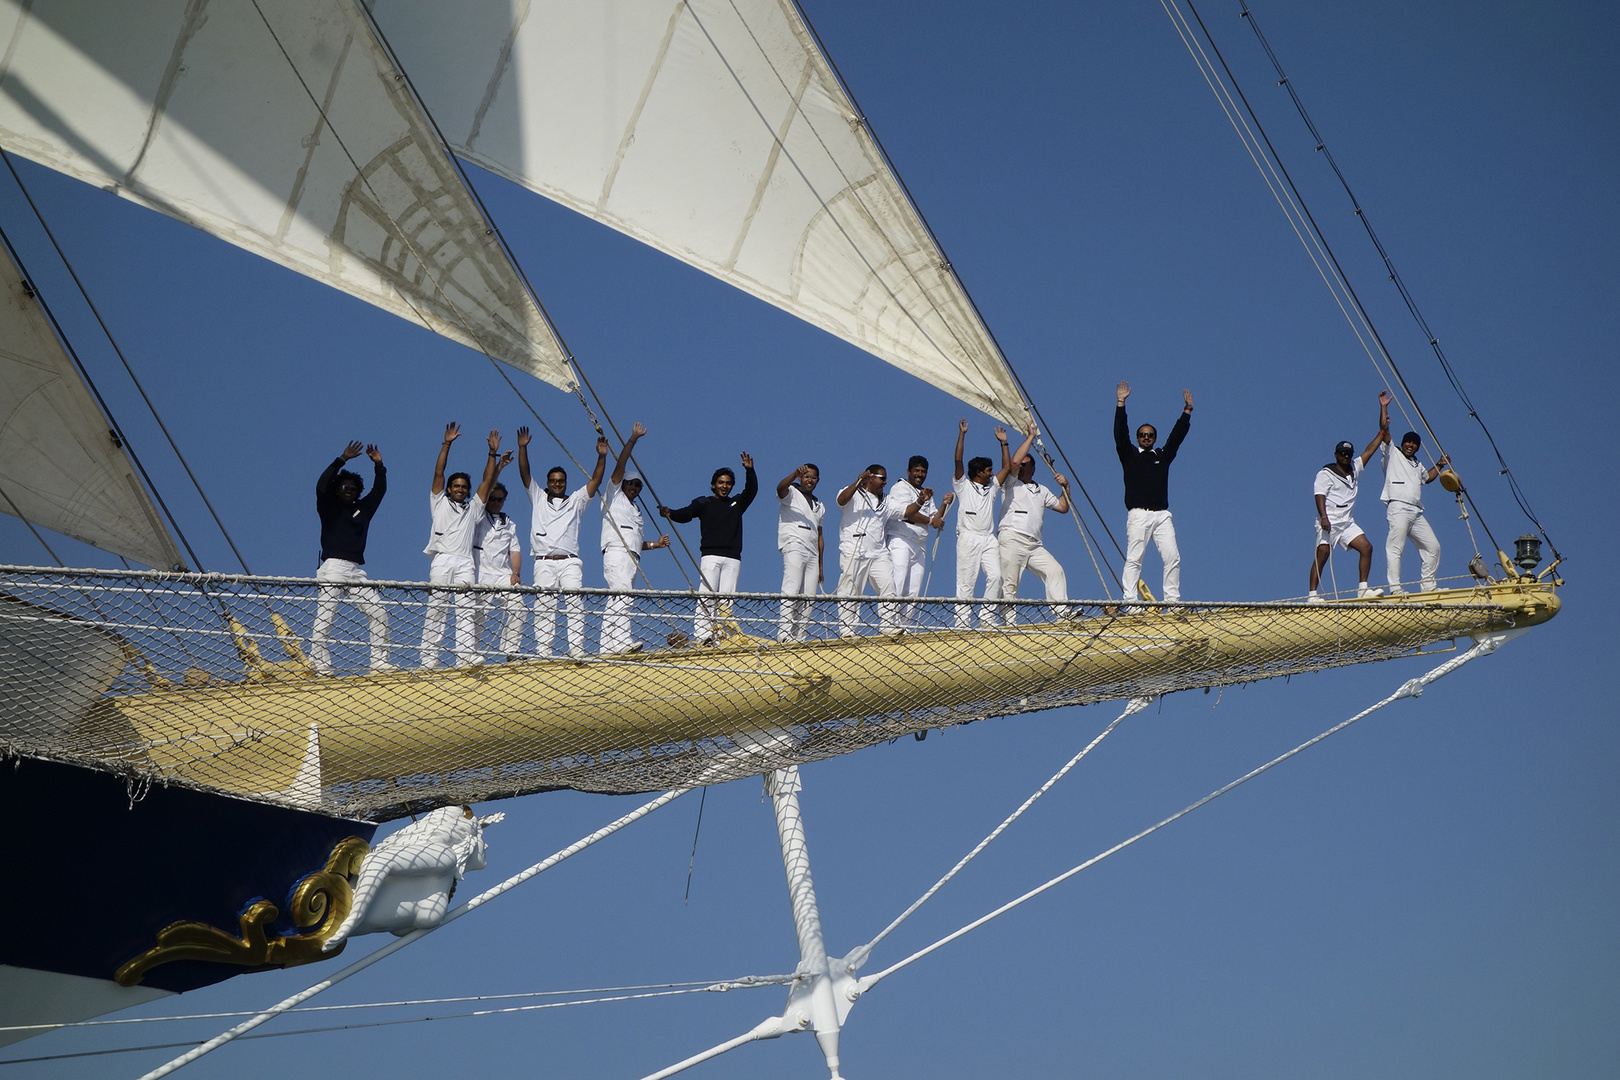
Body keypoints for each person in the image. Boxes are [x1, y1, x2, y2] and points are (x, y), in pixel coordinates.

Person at [422, 425, 510, 667]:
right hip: (442, 559)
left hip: (465, 562)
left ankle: (464, 657)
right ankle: (428, 660)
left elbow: (487, 482)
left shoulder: (474, 509)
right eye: (456, 486)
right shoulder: (438, 502)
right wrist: (447, 444)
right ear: (450, 489)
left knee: (466, 610)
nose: (460, 489)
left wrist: (492, 455)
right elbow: (439, 473)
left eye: (463, 487)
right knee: (437, 608)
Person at [518, 426, 609, 659]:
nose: (557, 484)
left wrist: (601, 456)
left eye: (561, 481)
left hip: (569, 561)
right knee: (544, 607)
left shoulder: (576, 501)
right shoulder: (538, 497)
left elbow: (596, 481)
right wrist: (522, 448)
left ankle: (576, 650)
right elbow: (525, 475)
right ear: (547, 482)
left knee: (575, 603)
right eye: (553, 481)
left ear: (566, 483)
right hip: (544, 561)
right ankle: (544, 652)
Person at [659, 453, 758, 645]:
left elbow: (751, 490)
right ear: (713, 484)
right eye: (721, 482)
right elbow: (686, 514)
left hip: (732, 557)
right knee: (706, 596)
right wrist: (670, 513)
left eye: (728, 483)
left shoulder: (736, 503)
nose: (724, 486)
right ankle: (704, 636)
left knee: (727, 599)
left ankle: (722, 637)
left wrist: (749, 470)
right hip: (711, 555)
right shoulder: (704, 503)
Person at [311, 440, 391, 674]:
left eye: (353, 489)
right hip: (333, 567)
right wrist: (341, 459)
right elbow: (321, 485)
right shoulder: (328, 506)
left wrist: (379, 466)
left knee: (378, 612)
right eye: (344, 487)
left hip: (356, 570)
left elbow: (379, 491)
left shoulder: (362, 509)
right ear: (337, 490)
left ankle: (379, 662)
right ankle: (320, 665)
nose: (348, 491)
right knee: (326, 617)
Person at [1115, 382, 1192, 604]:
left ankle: (1172, 601)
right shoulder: (1129, 455)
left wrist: (1186, 412)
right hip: (1139, 514)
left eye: (1150, 435)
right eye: (1142, 435)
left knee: (1172, 558)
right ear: (1138, 438)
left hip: (1161, 515)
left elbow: (1176, 438)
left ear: (1154, 438)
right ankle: (1130, 601)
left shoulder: (1162, 456)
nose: (1146, 437)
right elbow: (1120, 434)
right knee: (1134, 559)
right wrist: (1121, 404)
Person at [1309, 392, 1390, 601]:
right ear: (1336, 455)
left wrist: (1383, 415)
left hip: (1346, 522)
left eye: (1348, 454)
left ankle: (1363, 589)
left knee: (1366, 547)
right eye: (1342, 454)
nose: (1346, 456)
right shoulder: (1325, 473)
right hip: (1329, 521)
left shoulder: (1354, 468)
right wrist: (1324, 518)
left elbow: (1371, 449)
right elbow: (1319, 495)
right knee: (1323, 553)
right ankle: (1312, 595)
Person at [600, 423, 670, 655]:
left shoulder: (636, 511)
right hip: (616, 552)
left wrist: (655, 545)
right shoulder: (614, 497)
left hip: (632, 556)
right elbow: (620, 465)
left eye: (638, 486)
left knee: (620, 597)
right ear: (623, 485)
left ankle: (608, 645)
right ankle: (619, 642)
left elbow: (635, 541)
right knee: (622, 594)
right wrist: (632, 439)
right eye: (631, 484)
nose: (635, 488)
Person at [998, 422, 1071, 622]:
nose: (1020, 466)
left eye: (1025, 464)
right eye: (1020, 464)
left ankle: (1062, 614)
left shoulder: (1042, 490)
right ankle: (1008, 624)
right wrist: (1030, 437)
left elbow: (1063, 507)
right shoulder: (1011, 483)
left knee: (1055, 570)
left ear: (1032, 467)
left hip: (1034, 544)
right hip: (1012, 537)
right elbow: (1013, 463)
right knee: (1010, 583)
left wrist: (1066, 486)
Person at [1378, 395, 1449, 595]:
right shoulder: (1393, 454)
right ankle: (1395, 588)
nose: (1411, 445)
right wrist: (1383, 408)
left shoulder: (1417, 465)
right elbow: (1384, 430)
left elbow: (1428, 478)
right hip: (1398, 507)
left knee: (1433, 546)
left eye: (1414, 444)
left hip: (1416, 511)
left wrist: (1440, 464)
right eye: (1408, 442)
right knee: (1395, 548)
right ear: (1403, 443)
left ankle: (1428, 586)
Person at [951, 419, 1008, 630]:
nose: (992, 473)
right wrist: (962, 434)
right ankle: (962, 624)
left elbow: (1007, 467)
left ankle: (987, 618)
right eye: (988, 470)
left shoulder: (992, 487)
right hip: (968, 537)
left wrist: (1004, 443)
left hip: (988, 538)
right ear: (978, 473)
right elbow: (958, 460)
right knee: (966, 582)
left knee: (996, 576)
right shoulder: (963, 485)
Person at [884, 454, 952, 631]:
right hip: (901, 538)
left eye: (923, 471)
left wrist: (944, 504)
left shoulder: (925, 493)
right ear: (908, 471)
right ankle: (889, 624)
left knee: (913, 590)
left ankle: (904, 626)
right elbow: (907, 512)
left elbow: (935, 518)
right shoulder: (900, 488)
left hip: (919, 543)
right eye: (916, 471)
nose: (919, 474)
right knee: (897, 581)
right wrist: (930, 521)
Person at [835, 464, 897, 637]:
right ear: (870, 477)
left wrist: (920, 501)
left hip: (878, 553)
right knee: (850, 590)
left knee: (888, 584)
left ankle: (888, 626)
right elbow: (841, 500)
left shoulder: (887, 500)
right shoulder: (853, 493)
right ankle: (847, 631)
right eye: (882, 478)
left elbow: (906, 511)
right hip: (854, 550)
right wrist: (857, 482)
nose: (885, 482)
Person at [471, 482, 523, 662]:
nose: (495, 502)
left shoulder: (509, 524)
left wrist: (516, 573)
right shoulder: (477, 517)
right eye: (491, 498)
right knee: (478, 615)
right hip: (481, 574)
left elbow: (514, 551)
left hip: (502, 574)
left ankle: (511, 650)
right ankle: (472, 653)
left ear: (503, 501)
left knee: (518, 605)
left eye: (499, 499)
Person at [776, 463, 825, 643]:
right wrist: (793, 473)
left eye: (813, 477)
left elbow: (820, 534)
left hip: (812, 551)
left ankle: (799, 636)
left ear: (817, 480)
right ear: (800, 478)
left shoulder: (820, 505)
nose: (809, 480)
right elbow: (780, 489)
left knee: (809, 595)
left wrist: (821, 565)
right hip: (794, 543)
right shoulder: (791, 493)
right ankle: (785, 634)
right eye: (806, 476)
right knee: (792, 587)